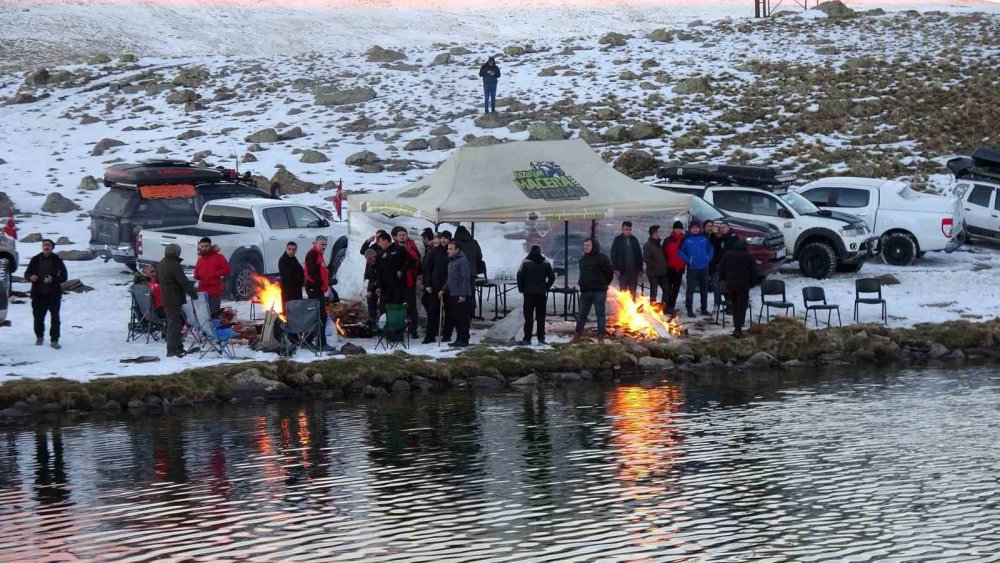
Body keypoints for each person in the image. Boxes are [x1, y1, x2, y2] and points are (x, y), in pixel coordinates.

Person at [25, 239, 68, 349]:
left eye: (48, 245)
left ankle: (54, 340)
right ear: (42, 247)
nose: (46, 247)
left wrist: (53, 279)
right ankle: (39, 337)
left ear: (52, 247)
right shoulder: (35, 259)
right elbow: (27, 273)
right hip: (38, 294)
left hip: (53, 295)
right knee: (38, 317)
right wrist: (31, 277)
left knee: (55, 318)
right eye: (44, 245)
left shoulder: (57, 260)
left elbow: (64, 277)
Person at [157, 243, 198, 358]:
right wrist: (193, 293)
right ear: (176, 252)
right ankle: (171, 349)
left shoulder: (161, 263)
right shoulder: (174, 264)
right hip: (173, 298)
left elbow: (158, 279)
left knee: (176, 322)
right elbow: (183, 281)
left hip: (166, 297)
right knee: (174, 324)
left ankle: (178, 347)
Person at [572, 238, 614, 344]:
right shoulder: (582, 260)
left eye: (588, 245)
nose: (585, 247)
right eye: (584, 245)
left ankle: (600, 338)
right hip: (585, 292)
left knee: (600, 314)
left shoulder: (602, 258)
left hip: (599, 292)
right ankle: (577, 336)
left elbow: (609, 273)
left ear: (594, 246)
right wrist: (581, 283)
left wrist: (604, 284)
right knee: (582, 314)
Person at [718, 238, 758, 338]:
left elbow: (721, 268)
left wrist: (723, 280)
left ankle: (737, 327)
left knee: (734, 305)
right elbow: (754, 272)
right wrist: (751, 284)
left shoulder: (727, 254)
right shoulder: (749, 257)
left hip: (730, 285)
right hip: (743, 286)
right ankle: (739, 328)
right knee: (741, 307)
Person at [516, 245, 555, 345]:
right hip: (541, 294)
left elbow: (519, 276)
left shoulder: (525, 262)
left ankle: (527, 339)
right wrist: (547, 287)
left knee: (528, 318)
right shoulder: (545, 262)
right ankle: (541, 339)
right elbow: (552, 277)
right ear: (540, 252)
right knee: (541, 317)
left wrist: (521, 289)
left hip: (528, 294)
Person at [304, 235, 335, 351]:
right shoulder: (312, 254)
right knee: (320, 315)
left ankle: (312, 340)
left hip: (319, 289)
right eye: (322, 244)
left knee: (320, 315)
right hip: (314, 289)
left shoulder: (318, 254)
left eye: (325, 245)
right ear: (316, 243)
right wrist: (321, 282)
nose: (324, 247)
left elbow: (319, 270)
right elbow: (312, 272)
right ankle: (318, 342)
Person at [678, 221, 714, 317]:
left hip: (704, 267)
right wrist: (688, 260)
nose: (695, 229)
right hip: (692, 268)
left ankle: (704, 309)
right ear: (690, 229)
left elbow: (711, 248)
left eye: (697, 228)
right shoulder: (686, 239)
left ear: (699, 228)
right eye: (693, 228)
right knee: (690, 290)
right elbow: (680, 251)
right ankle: (689, 310)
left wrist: (708, 258)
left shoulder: (704, 238)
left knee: (704, 289)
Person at [441, 241, 472, 347]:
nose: (448, 251)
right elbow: (450, 278)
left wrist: (463, 294)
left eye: (450, 249)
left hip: (460, 294)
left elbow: (465, 278)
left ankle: (463, 340)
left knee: (462, 318)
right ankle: (459, 338)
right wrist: (443, 289)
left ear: (457, 250)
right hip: (453, 293)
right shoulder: (452, 261)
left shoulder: (462, 261)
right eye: (448, 248)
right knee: (457, 318)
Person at [392, 226, 422, 339]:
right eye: (400, 235)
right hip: (398, 284)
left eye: (403, 234)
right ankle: (399, 329)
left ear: (407, 236)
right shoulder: (393, 247)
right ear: (396, 237)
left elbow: (417, 261)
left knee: (412, 308)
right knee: (399, 307)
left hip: (410, 282)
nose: (402, 236)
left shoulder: (412, 246)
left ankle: (413, 329)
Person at [421, 231, 449, 344]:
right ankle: (430, 335)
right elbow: (427, 269)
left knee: (448, 312)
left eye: (445, 238)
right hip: (434, 286)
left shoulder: (451, 251)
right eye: (440, 239)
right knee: (433, 311)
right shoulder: (432, 252)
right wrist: (427, 284)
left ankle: (446, 335)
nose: (443, 241)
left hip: (448, 285)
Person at [193, 237, 231, 316]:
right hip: (202, 291)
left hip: (214, 291)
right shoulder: (200, 260)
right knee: (203, 314)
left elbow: (227, 269)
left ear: (210, 246)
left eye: (206, 246)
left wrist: (216, 273)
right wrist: (197, 275)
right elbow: (196, 274)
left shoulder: (219, 257)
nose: (204, 248)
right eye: (202, 246)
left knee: (214, 314)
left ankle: (215, 327)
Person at [375, 231, 412, 307]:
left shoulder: (398, 249)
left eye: (380, 241)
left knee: (396, 305)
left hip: (397, 285)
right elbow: (379, 270)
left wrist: (402, 270)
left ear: (386, 241)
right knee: (386, 307)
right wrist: (379, 285)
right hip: (385, 287)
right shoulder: (381, 252)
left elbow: (411, 261)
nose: (379, 244)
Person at [453, 225, 482, 315]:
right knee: (470, 292)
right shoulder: (474, 242)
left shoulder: (454, 243)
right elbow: (479, 257)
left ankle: (459, 313)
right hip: (471, 272)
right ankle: (471, 312)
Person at [610, 221, 643, 298]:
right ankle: (623, 309)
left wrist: (640, 269)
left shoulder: (634, 239)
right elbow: (613, 255)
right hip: (622, 271)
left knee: (633, 291)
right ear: (622, 229)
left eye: (629, 229)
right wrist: (616, 269)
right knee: (623, 292)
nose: (628, 231)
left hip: (633, 271)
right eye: (626, 229)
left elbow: (639, 254)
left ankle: (631, 309)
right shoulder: (617, 240)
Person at [710, 221, 737, 311]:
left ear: (729, 228)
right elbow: (716, 246)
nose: (721, 229)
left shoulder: (733, 237)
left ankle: (732, 306)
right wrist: (714, 235)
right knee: (722, 286)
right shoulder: (721, 238)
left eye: (724, 227)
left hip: (730, 266)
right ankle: (727, 305)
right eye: (720, 227)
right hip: (721, 266)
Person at [662, 221, 686, 315]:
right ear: (673, 229)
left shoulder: (684, 240)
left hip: (680, 269)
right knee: (668, 288)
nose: (678, 230)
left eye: (680, 228)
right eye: (676, 228)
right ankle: (665, 306)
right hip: (670, 268)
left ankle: (672, 306)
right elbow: (663, 253)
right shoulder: (668, 240)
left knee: (676, 289)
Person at [642, 225, 668, 306]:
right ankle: (652, 307)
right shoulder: (648, 245)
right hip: (653, 273)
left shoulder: (658, 243)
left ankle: (663, 306)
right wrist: (654, 264)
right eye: (658, 231)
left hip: (661, 272)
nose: (660, 233)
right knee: (654, 291)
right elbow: (645, 258)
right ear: (654, 233)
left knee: (666, 288)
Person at [278, 241, 304, 309]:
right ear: (286, 249)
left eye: (293, 249)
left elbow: (300, 270)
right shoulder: (283, 260)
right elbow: (288, 276)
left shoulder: (293, 259)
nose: (291, 251)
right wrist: (300, 281)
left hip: (296, 290)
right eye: (289, 249)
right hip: (289, 292)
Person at [363, 248, 379, 327]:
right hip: (371, 283)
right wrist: (365, 280)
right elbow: (367, 273)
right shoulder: (368, 263)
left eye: (369, 258)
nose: (368, 260)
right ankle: (372, 322)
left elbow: (380, 279)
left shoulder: (379, 264)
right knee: (370, 303)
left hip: (379, 284)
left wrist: (372, 291)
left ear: (374, 257)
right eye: (366, 259)